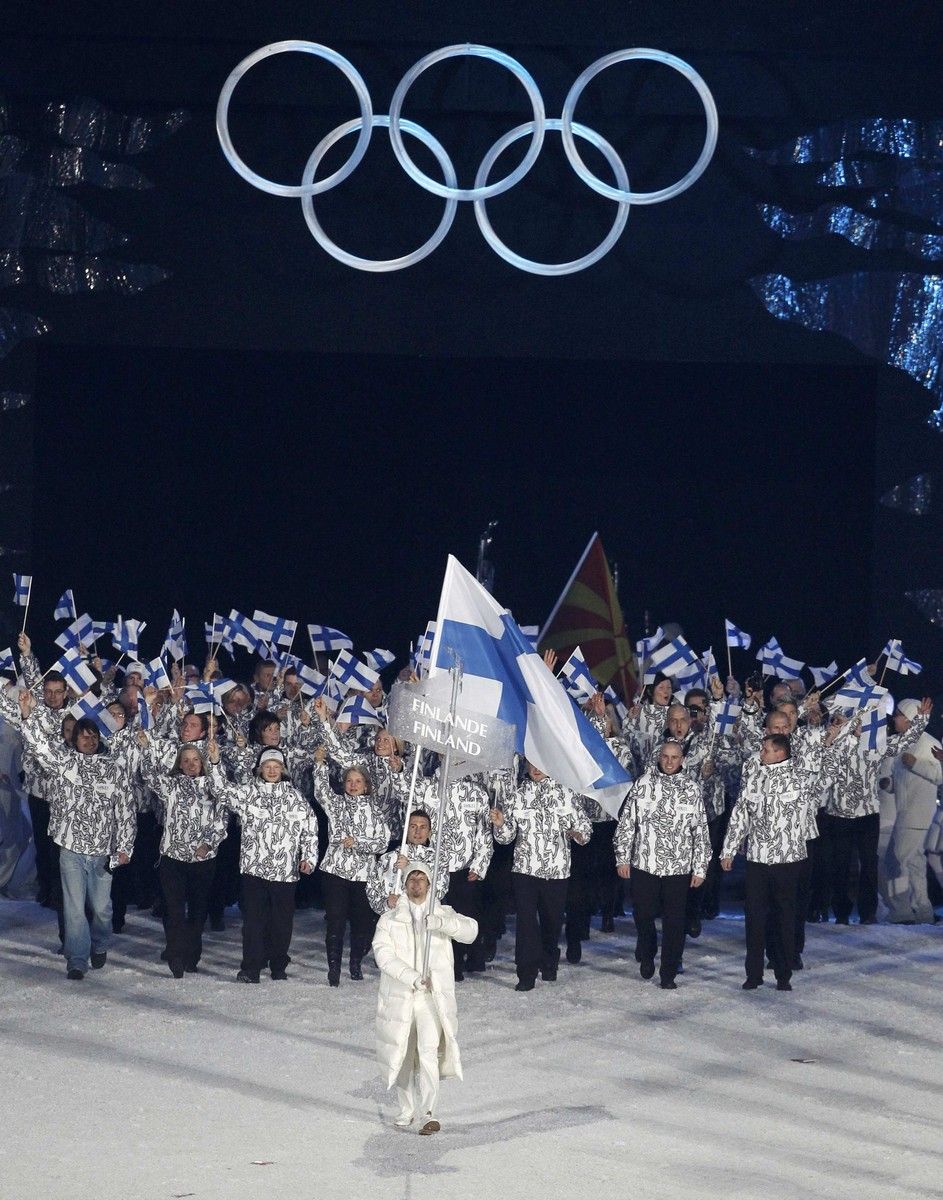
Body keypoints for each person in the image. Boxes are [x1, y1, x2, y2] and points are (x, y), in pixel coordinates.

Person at [18, 693, 136, 980]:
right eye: (83, 736)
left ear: (99, 739)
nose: (88, 740)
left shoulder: (113, 768)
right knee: (73, 908)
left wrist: (125, 846)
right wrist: (26, 715)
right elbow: (39, 746)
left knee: (101, 909)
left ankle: (100, 943)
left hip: (102, 850)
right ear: (75, 740)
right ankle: (77, 959)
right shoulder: (64, 763)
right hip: (70, 847)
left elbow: (126, 809)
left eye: (93, 736)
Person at [372, 862, 478, 1134]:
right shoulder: (391, 918)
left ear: (429, 885)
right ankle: (407, 1109)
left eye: (422, 879)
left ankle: (429, 1112)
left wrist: (441, 923)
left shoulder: (443, 913)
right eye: (412, 879)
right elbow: (383, 955)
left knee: (428, 1052)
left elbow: (471, 931)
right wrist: (412, 977)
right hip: (402, 995)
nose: (417, 883)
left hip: (431, 998)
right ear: (405, 884)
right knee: (403, 1055)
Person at [207, 741, 319, 983]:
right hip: (254, 870)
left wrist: (308, 858)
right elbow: (221, 791)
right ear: (259, 769)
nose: (271, 770)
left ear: (283, 769)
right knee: (253, 922)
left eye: (276, 766)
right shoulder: (248, 793)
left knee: (281, 924)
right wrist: (215, 763)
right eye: (267, 766)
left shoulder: (295, 798)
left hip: (285, 872)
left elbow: (310, 830)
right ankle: (251, 968)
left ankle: (278, 963)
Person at [721, 733, 825, 991]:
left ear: (780, 753)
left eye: (765, 749)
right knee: (754, 918)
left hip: (788, 861)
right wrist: (728, 850)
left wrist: (832, 736)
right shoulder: (755, 779)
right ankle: (753, 974)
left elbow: (827, 766)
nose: (761, 753)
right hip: (757, 859)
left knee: (784, 918)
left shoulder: (801, 779)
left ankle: (783, 974)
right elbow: (739, 817)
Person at [823, 698, 931, 924]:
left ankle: (867, 913)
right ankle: (841, 913)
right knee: (840, 865)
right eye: (857, 721)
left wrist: (921, 719)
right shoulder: (834, 744)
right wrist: (832, 735)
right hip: (839, 814)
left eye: (865, 722)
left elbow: (903, 741)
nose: (861, 726)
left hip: (868, 814)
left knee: (870, 865)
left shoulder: (875, 744)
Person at [614, 739, 709, 989]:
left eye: (674, 757)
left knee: (674, 921)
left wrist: (700, 867)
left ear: (682, 760)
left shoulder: (691, 789)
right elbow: (627, 823)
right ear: (659, 757)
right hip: (645, 863)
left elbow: (700, 831)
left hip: (678, 866)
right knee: (643, 914)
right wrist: (622, 857)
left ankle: (668, 972)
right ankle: (647, 951)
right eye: (665, 757)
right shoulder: (643, 784)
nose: (669, 762)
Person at [490, 760, 591, 991]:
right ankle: (525, 972)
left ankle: (549, 960)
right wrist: (500, 824)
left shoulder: (566, 793)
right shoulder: (517, 794)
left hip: (556, 870)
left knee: (551, 921)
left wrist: (577, 834)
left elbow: (586, 829)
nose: (536, 769)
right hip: (525, 869)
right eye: (532, 764)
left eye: (542, 764)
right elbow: (506, 838)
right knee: (526, 922)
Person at [139, 738, 229, 977]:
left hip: (203, 860)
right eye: (186, 760)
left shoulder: (214, 787)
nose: (191, 765)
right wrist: (147, 749)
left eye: (196, 760)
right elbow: (148, 774)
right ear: (179, 764)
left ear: (203, 763)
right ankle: (176, 953)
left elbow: (223, 820)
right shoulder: (171, 785)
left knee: (198, 911)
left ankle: (192, 955)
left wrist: (208, 844)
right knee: (174, 909)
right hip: (173, 858)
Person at [312, 749, 391, 986]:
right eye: (349, 781)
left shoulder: (376, 811)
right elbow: (320, 791)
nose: (353, 785)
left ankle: (355, 961)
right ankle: (333, 968)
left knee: (362, 922)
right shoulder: (336, 804)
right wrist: (319, 763)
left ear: (366, 785)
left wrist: (358, 843)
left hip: (364, 874)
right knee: (335, 921)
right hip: (335, 871)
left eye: (358, 781)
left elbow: (382, 843)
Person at [885, 699, 941, 923]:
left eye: (898, 714)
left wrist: (916, 763)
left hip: (916, 814)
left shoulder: (928, 743)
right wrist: (888, 785)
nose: (894, 718)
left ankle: (902, 912)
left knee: (894, 861)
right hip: (906, 812)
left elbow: (940, 775)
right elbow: (902, 780)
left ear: (909, 717)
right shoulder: (903, 744)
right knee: (915, 863)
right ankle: (923, 910)